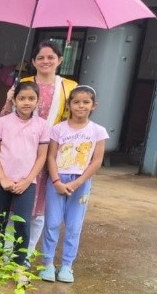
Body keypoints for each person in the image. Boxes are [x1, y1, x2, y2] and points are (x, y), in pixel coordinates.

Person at [0, 40, 78, 253]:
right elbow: (4, 119)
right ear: (33, 61)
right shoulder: (22, 83)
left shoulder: (69, 87)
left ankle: (25, 254)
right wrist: (8, 101)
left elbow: (74, 122)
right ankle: (7, 253)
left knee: (38, 208)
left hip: (50, 153)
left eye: (51, 57)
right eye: (41, 57)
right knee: (15, 203)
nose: (46, 61)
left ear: (60, 60)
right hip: (19, 152)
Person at [38, 86, 107, 283]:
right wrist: (56, 181)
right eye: (76, 102)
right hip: (57, 181)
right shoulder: (58, 129)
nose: (81, 106)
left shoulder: (98, 131)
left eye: (86, 102)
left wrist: (78, 182)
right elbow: (51, 156)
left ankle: (67, 265)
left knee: (74, 226)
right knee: (51, 223)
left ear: (94, 105)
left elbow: (96, 161)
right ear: (68, 105)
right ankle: (48, 264)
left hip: (81, 183)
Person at [0, 81, 49, 266]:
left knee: (23, 223)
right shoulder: (3, 121)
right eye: (21, 98)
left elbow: (42, 156)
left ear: (38, 101)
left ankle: (19, 263)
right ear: (14, 99)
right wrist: (3, 178)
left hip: (27, 183)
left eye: (31, 98)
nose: (26, 102)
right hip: (0, 180)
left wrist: (27, 181)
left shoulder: (42, 125)